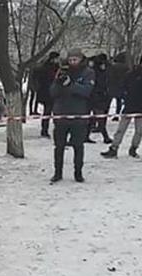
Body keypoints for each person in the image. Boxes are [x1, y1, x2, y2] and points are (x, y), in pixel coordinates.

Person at [49, 49, 95, 183]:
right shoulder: (62, 71)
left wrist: (70, 85)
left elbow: (86, 91)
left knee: (78, 145)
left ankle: (78, 173)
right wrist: (58, 83)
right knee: (59, 146)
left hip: (79, 115)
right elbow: (52, 92)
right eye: (70, 59)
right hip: (61, 113)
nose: (72, 62)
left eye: (75, 59)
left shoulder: (88, 72)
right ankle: (57, 172)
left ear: (81, 59)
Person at [101, 55, 142, 159]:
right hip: (130, 105)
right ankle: (114, 148)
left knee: (138, 131)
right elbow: (123, 86)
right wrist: (125, 96)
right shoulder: (131, 74)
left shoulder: (131, 73)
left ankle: (133, 148)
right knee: (122, 129)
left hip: (138, 107)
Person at [86, 54, 112, 144]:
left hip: (98, 97)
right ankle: (106, 137)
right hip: (97, 97)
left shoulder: (98, 72)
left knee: (93, 118)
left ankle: (86, 135)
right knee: (99, 117)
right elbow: (99, 85)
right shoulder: (97, 73)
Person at [35, 51, 61, 138]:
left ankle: (55, 130)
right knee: (48, 112)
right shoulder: (47, 68)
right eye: (57, 58)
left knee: (54, 113)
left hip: (53, 93)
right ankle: (44, 130)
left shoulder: (56, 67)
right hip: (48, 94)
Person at [108, 52, 129, 121]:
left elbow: (110, 76)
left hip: (113, 86)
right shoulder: (126, 67)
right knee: (121, 102)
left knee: (109, 101)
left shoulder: (112, 67)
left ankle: (106, 115)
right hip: (122, 86)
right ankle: (118, 114)